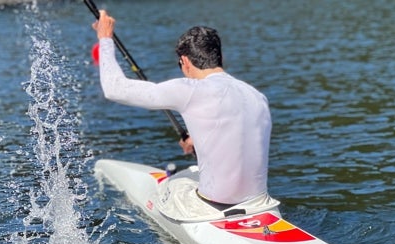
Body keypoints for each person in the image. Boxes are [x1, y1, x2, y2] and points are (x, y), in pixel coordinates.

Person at [92, 11, 272, 209]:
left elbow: (113, 89)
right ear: (219, 57)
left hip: (213, 206)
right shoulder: (256, 96)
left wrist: (105, 39)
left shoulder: (189, 89)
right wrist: (199, 140)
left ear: (185, 62)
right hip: (261, 204)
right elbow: (240, 133)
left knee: (178, 178)